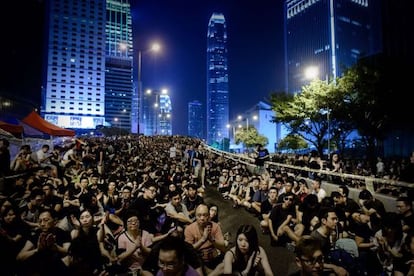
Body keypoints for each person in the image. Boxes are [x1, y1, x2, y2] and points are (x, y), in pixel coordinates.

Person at [184, 204, 226, 274]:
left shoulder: (215, 226)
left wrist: (211, 239)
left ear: (209, 216)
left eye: (205, 215)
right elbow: (188, 251)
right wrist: (203, 239)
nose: (202, 218)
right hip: (199, 261)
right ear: (195, 216)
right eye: (199, 215)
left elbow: (223, 247)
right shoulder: (189, 229)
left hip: (214, 258)